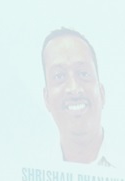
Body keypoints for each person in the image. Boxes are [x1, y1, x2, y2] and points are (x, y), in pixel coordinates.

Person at [41, 27, 108, 166]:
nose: (74, 89)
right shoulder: (35, 167)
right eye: (59, 76)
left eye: (83, 74)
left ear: (102, 93)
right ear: (46, 99)